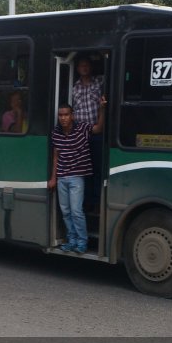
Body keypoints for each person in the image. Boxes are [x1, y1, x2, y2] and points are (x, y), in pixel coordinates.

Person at [47, 96, 106, 254]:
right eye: (60, 115)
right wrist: (54, 178)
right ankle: (71, 240)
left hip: (77, 177)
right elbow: (56, 156)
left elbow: (99, 129)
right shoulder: (56, 133)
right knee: (65, 211)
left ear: (72, 115)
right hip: (61, 177)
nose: (63, 118)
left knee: (76, 211)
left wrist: (102, 109)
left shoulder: (82, 128)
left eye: (66, 114)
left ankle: (82, 241)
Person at [72, 56, 105, 211]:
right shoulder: (74, 87)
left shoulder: (99, 82)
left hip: (96, 131)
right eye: (81, 65)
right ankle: (86, 202)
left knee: (97, 168)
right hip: (80, 133)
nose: (84, 68)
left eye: (87, 65)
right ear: (78, 69)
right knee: (84, 169)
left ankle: (97, 201)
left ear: (90, 67)